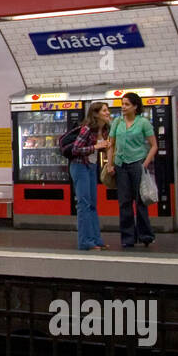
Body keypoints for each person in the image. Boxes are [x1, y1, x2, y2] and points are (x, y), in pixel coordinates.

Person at [105, 92, 157, 249]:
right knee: (124, 202)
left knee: (140, 200)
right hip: (121, 165)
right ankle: (128, 238)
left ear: (135, 106)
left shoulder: (143, 123)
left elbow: (154, 145)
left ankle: (145, 235)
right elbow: (111, 144)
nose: (123, 107)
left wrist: (145, 164)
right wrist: (110, 164)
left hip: (137, 164)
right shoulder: (117, 123)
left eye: (127, 104)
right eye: (122, 104)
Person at [67, 102, 112, 251]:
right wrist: (96, 147)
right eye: (104, 111)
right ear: (96, 113)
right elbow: (75, 149)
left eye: (107, 110)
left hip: (91, 167)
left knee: (92, 204)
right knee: (84, 205)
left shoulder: (105, 130)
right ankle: (85, 242)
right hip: (80, 166)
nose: (107, 113)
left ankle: (96, 240)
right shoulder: (87, 129)